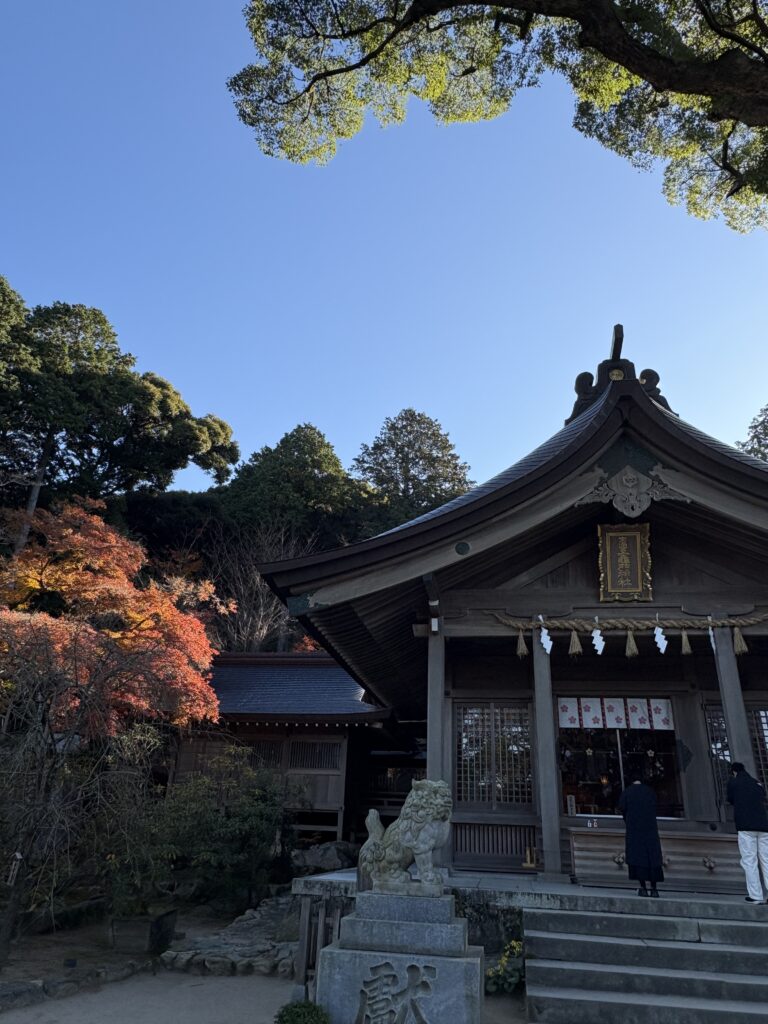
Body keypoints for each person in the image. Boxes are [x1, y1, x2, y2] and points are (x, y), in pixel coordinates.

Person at [727, 762, 768, 904]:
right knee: (766, 859)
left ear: (733, 772)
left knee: (749, 860)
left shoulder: (734, 783)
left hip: (745, 826)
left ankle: (756, 895)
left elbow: (730, 799)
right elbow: (763, 798)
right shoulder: (757, 783)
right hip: (763, 825)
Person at [618, 773, 664, 897]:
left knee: (638, 857)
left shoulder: (627, 792)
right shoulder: (650, 792)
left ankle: (642, 887)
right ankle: (654, 888)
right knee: (652, 857)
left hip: (634, 829)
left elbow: (622, 807)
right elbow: (656, 807)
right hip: (650, 829)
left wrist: (628, 819)